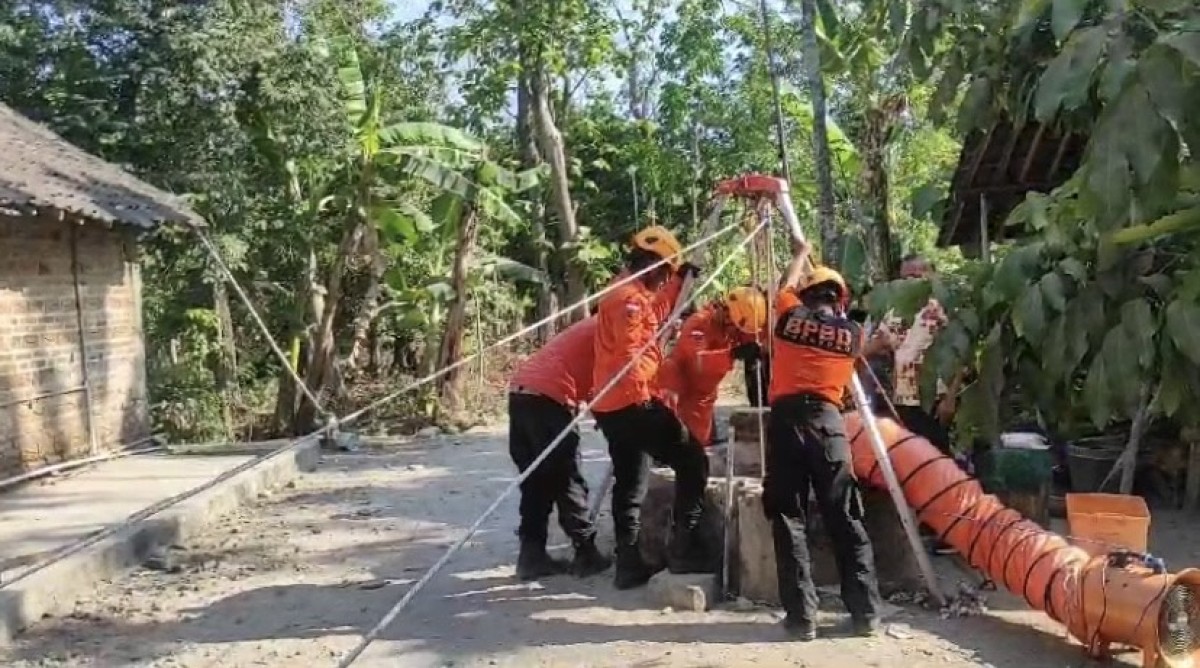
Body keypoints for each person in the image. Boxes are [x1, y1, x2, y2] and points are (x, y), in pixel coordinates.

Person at [764, 239, 889, 641]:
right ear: (839, 301)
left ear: (805, 295)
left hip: (786, 422)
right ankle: (866, 613)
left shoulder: (787, 315)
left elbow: (781, 287)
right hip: (828, 423)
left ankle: (802, 619)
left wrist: (801, 252)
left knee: (788, 516)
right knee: (845, 515)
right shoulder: (851, 333)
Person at [591, 225, 709, 589]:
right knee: (693, 459)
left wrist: (681, 281)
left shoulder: (626, 289)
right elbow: (630, 354)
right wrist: (644, 397)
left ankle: (628, 563)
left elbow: (657, 306)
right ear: (655, 266)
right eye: (666, 274)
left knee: (630, 479)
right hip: (630, 401)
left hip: (609, 405)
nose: (665, 282)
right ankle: (683, 547)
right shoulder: (628, 299)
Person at [508, 318, 612, 581]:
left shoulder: (594, 326)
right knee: (565, 476)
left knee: (536, 481)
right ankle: (586, 552)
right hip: (549, 398)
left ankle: (531, 556)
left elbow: (593, 382)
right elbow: (610, 382)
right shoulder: (613, 329)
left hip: (521, 393)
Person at [656, 286, 769, 449]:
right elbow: (697, 361)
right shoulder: (699, 323)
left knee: (699, 447)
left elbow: (757, 336)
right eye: (735, 327)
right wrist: (732, 354)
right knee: (680, 444)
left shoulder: (731, 327)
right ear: (726, 312)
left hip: (703, 395)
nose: (736, 331)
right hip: (682, 389)